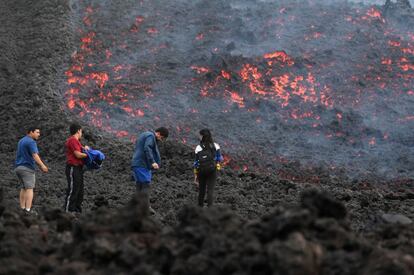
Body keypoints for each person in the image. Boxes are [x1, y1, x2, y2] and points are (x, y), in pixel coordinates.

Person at [131, 127, 169, 214]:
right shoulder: (150, 136)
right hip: (142, 164)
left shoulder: (144, 134)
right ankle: (146, 207)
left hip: (138, 163)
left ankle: (136, 206)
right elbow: (147, 148)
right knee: (146, 184)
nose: (161, 140)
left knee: (140, 184)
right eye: (161, 138)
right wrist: (152, 162)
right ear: (158, 133)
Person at [14, 126, 48, 214]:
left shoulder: (21, 140)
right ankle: (28, 210)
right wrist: (42, 165)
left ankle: (22, 208)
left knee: (23, 188)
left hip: (18, 167)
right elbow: (35, 155)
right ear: (31, 132)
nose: (39, 135)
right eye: (37, 132)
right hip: (27, 168)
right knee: (30, 188)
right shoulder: (31, 141)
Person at [193, 129, 223, 207]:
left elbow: (196, 163)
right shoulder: (216, 146)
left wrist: (195, 175)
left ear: (202, 136)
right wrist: (217, 167)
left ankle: (200, 209)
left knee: (201, 191)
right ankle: (210, 210)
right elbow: (219, 159)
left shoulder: (198, 148)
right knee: (210, 191)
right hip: (212, 170)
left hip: (201, 171)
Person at [64, 123, 89, 213]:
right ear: (78, 130)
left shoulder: (77, 141)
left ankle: (77, 211)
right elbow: (78, 154)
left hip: (78, 169)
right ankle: (68, 212)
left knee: (79, 191)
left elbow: (81, 150)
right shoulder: (72, 140)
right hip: (72, 168)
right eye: (81, 131)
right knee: (73, 190)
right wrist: (88, 155)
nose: (81, 133)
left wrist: (85, 149)